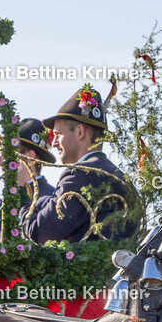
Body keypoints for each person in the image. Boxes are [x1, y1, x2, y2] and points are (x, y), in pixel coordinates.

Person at [25, 84, 137, 243]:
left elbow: (39, 233)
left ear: (79, 132)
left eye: (58, 134)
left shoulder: (80, 174)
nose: (55, 143)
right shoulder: (119, 174)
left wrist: (22, 201)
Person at [0, 118, 55, 235]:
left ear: (30, 158)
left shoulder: (48, 199)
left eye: (7, 154)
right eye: (0, 154)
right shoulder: (8, 196)